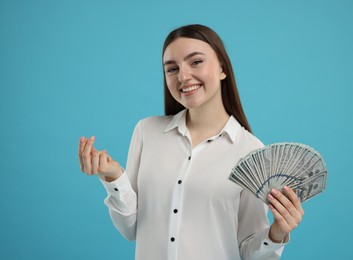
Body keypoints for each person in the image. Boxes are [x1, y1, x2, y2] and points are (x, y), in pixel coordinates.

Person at [78, 24, 304, 260]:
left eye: (195, 62)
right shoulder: (146, 131)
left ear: (223, 68)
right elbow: (130, 229)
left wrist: (277, 233)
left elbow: (248, 252)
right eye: (172, 69)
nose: (183, 76)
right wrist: (114, 177)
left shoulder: (251, 151)